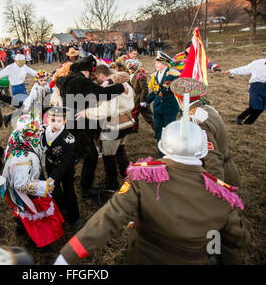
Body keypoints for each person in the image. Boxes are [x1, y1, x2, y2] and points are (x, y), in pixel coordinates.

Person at [55, 93, 250, 265]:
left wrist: (66, 258)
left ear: (165, 145)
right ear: (201, 150)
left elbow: (109, 218)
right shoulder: (223, 195)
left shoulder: (143, 178)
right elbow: (239, 239)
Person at [55, 56, 127, 198]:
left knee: (75, 152)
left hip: (69, 121)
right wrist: (120, 87)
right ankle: (86, 189)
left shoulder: (64, 80)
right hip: (80, 123)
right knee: (91, 155)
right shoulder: (82, 81)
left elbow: (57, 80)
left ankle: (66, 179)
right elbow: (102, 94)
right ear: (87, 71)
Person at [2, 113, 64, 248]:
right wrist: (45, 187)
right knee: (36, 214)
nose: (39, 133)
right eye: (35, 133)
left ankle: (21, 226)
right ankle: (41, 242)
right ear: (28, 134)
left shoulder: (18, 135)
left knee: (23, 212)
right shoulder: (23, 158)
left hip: (23, 179)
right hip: (28, 191)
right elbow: (21, 184)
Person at [171, 77, 241, 188]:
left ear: (180, 101)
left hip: (219, 177)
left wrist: (215, 190)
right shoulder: (207, 109)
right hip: (227, 167)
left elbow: (212, 159)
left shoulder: (195, 121)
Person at [75, 65, 134, 191]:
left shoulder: (109, 87)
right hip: (127, 122)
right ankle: (128, 176)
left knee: (108, 156)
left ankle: (111, 183)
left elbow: (106, 110)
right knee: (120, 151)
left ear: (101, 76)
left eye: (97, 77)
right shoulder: (124, 82)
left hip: (114, 125)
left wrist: (86, 113)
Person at [40, 106, 81, 231]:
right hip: (50, 165)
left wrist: (52, 177)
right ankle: (60, 209)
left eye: (59, 121)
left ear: (64, 121)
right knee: (55, 191)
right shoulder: (43, 132)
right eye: (52, 120)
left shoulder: (68, 138)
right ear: (47, 120)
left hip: (66, 168)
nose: (55, 124)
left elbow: (64, 162)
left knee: (69, 191)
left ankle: (75, 217)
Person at [225, 48, 266, 125]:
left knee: (262, 108)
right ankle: (240, 117)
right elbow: (245, 69)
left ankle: (248, 123)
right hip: (255, 85)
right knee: (255, 106)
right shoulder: (257, 63)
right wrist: (232, 71)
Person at [146, 51, 181, 143]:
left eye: (158, 63)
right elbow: (155, 90)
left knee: (169, 129)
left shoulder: (174, 74)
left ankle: (169, 149)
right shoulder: (156, 74)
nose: (155, 65)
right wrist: (147, 101)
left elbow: (179, 89)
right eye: (156, 62)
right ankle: (160, 148)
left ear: (164, 63)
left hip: (169, 107)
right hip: (158, 107)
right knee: (158, 129)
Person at [125, 59, 155, 132]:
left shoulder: (140, 75)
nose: (128, 70)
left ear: (133, 68)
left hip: (139, 99)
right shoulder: (132, 75)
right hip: (136, 98)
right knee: (148, 116)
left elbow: (144, 89)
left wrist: (142, 101)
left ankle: (133, 130)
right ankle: (135, 130)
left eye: (129, 68)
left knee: (134, 114)